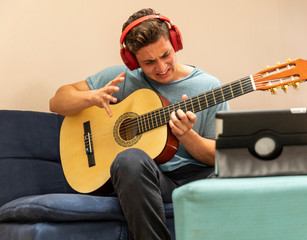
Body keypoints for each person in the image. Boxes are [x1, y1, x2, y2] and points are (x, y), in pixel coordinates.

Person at [50, 8, 229, 240]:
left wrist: (187, 135)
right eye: (149, 62)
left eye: (166, 55)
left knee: (239, 175)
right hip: (147, 181)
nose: (161, 67)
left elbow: (219, 158)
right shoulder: (123, 79)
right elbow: (57, 101)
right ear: (133, 61)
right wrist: (92, 97)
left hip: (197, 177)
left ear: (175, 44)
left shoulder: (209, 86)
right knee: (128, 159)